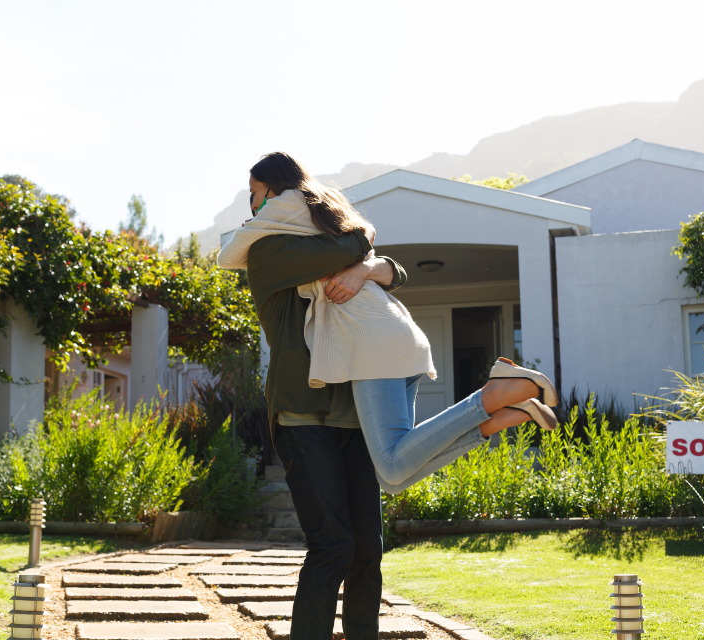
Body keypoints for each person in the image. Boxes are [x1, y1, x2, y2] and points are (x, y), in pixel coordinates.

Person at [217, 152, 556, 640]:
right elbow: (355, 240)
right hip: (302, 416)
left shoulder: (320, 245)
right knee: (333, 545)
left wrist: (369, 271)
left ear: (274, 190)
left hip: (355, 410)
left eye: (253, 195)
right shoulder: (268, 251)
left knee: (367, 553)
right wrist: (365, 264)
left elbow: (387, 268)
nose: (249, 211)